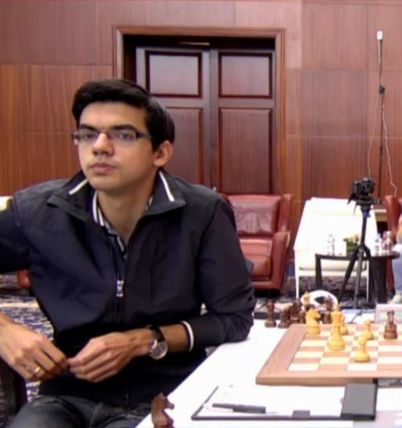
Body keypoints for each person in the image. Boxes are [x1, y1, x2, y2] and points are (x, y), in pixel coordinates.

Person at [0, 79, 255, 427]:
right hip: (66, 394)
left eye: (123, 135)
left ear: (160, 153)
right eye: (87, 134)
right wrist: (4, 330)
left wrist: (144, 340)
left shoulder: (202, 213)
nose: (100, 147)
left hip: (163, 395)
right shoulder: (37, 212)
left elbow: (234, 318)